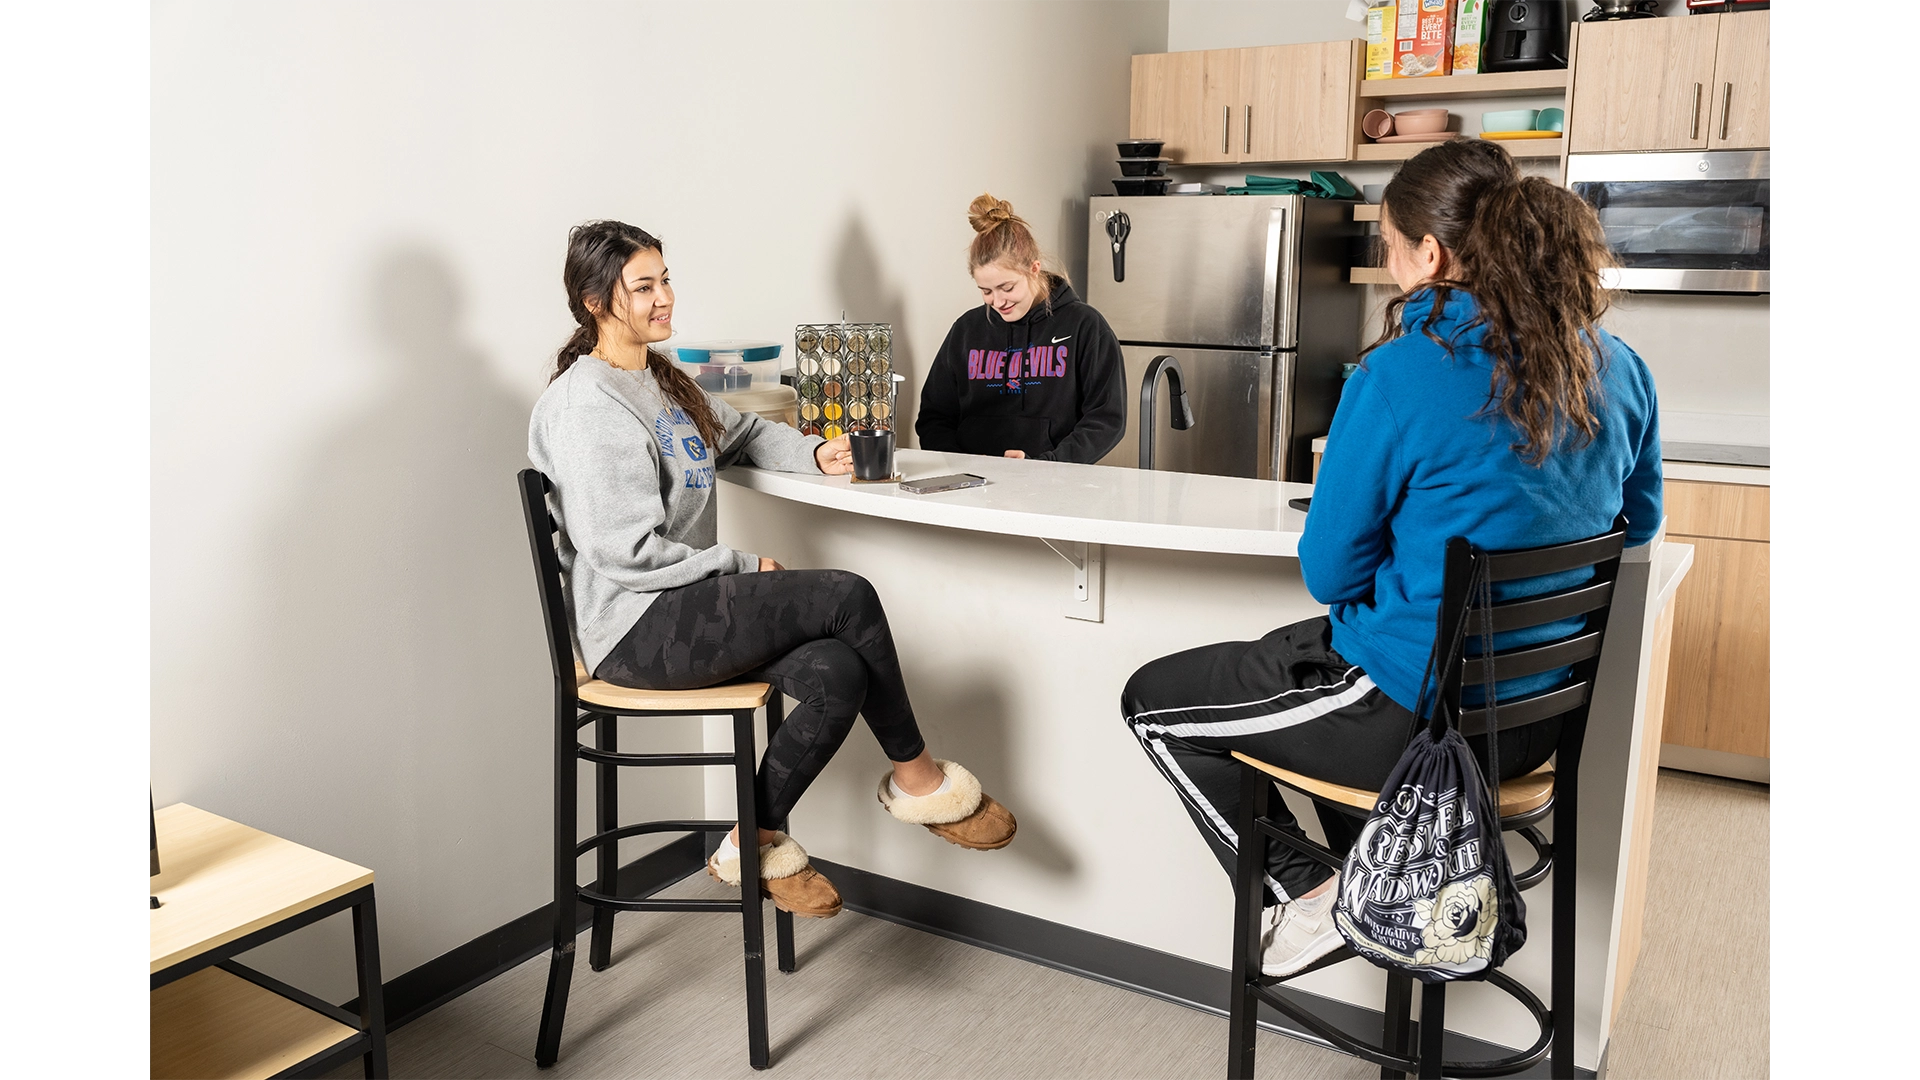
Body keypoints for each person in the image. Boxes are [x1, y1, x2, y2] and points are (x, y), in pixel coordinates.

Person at [1121, 140, 1662, 977]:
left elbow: (1331, 574)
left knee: (1152, 704)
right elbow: (1638, 525)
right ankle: (1370, 888)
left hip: (1410, 726)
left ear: (1432, 254)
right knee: (1299, 657)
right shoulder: (1621, 369)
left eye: (1390, 241)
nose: (1388, 258)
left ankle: (1319, 899)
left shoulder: (1399, 372)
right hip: (1532, 730)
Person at [529, 220, 1018, 919]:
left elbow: (747, 432)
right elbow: (622, 553)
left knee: (838, 675)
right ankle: (922, 781)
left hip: (680, 611)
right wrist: (741, 564)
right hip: (634, 631)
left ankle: (751, 840)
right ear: (594, 302)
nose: (664, 297)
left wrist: (815, 454)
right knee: (847, 595)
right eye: (644, 286)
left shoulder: (655, 383)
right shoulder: (588, 405)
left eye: (664, 278)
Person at [915, 194, 1126, 462]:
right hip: (971, 487)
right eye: (986, 291)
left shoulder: (1085, 326)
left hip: (1056, 486)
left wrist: (1049, 465)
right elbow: (934, 416)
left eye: (1007, 287)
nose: (998, 301)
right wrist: (960, 463)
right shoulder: (966, 330)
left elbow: (1106, 419)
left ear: (1034, 269)